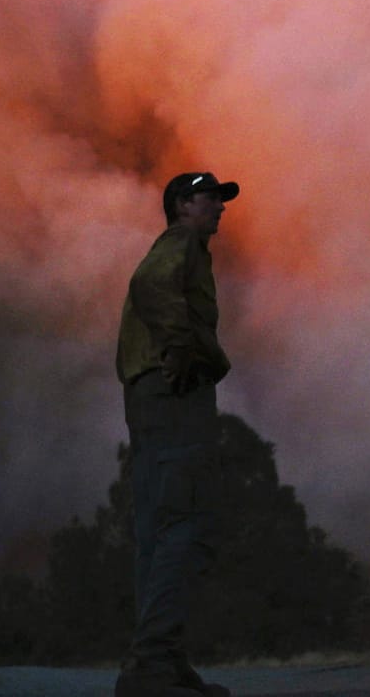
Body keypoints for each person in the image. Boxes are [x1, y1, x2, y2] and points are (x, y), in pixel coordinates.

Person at [115, 172, 239, 697]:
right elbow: (150, 287)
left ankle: (159, 662)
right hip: (173, 393)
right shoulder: (182, 242)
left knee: (158, 534)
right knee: (189, 525)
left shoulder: (175, 243)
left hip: (147, 397)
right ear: (183, 203)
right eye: (211, 198)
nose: (220, 208)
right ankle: (155, 662)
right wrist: (182, 350)